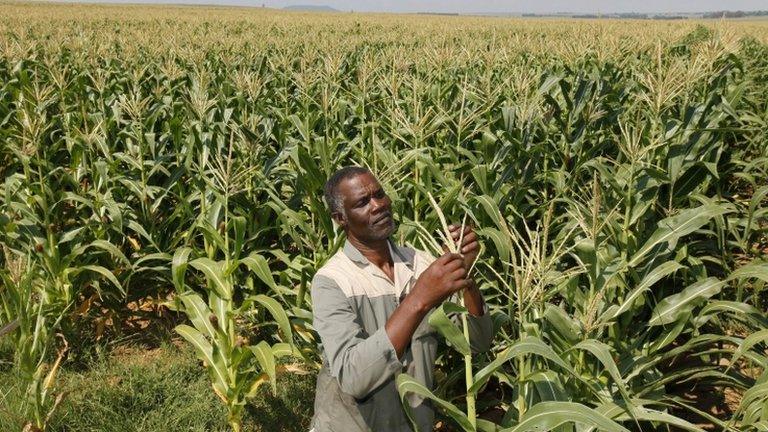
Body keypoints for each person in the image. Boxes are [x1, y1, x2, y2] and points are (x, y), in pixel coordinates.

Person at [310, 166, 493, 432]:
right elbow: (353, 377)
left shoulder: (421, 265)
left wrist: (466, 276)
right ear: (341, 218)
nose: (378, 206)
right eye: (363, 202)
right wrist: (419, 298)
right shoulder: (332, 281)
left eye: (379, 195)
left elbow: (477, 341)